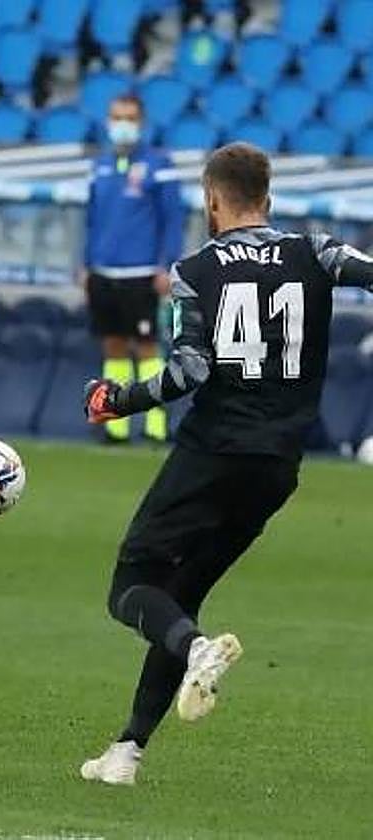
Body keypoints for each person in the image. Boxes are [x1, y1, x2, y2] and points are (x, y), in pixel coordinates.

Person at [78, 142, 373, 785]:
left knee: (130, 589)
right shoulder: (315, 252)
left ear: (212, 201)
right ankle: (127, 751)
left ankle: (197, 652)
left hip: (213, 453)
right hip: (276, 468)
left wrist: (117, 399)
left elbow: (189, 371)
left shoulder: (194, 269)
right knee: (179, 595)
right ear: (267, 198)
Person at [83, 92, 185, 444]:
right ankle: (116, 424)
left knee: (146, 346)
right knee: (112, 345)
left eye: (128, 117)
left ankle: (155, 426)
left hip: (142, 271)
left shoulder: (160, 164)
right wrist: (86, 263)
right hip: (104, 271)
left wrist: (165, 266)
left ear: (140, 123)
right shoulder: (100, 165)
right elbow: (92, 219)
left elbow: (173, 220)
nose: (121, 124)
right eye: (116, 117)